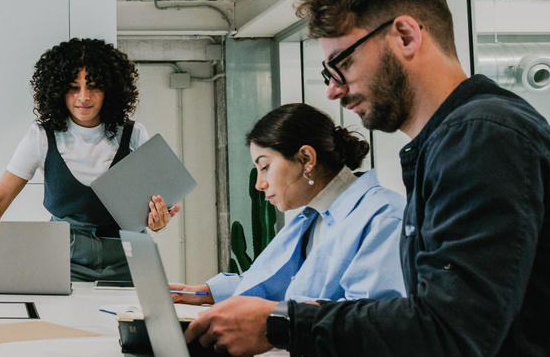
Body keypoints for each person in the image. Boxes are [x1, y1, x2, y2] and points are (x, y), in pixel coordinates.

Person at [184, 0, 550, 357]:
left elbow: (449, 335)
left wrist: (284, 326)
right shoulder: (453, 140)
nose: (333, 90)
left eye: (344, 62)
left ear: (406, 36)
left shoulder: (481, 137)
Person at [0, 38, 180, 283]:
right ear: (58, 90)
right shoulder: (42, 137)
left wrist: (159, 223)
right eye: (74, 87)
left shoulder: (134, 135)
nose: (83, 97)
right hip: (61, 260)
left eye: (94, 86)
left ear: (110, 89)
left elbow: (153, 211)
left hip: (128, 259)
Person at [171, 103, 405, 305]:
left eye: (265, 167)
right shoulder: (312, 219)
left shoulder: (384, 217)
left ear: (306, 159)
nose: (259, 184)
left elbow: (372, 317)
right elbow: (271, 282)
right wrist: (204, 292)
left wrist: (272, 318)